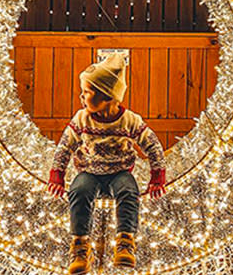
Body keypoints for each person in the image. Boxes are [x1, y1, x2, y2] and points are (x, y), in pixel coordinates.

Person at [47, 53, 166, 275]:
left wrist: (157, 176)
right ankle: (80, 247)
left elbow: (153, 145)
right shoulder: (81, 119)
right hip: (89, 172)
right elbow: (64, 146)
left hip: (119, 172)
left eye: (87, 92)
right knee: (79, 191)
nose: (81, 97)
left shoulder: (130, 120)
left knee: (129, 191)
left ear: (108, 97)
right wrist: (57, 175)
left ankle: (125, 241)